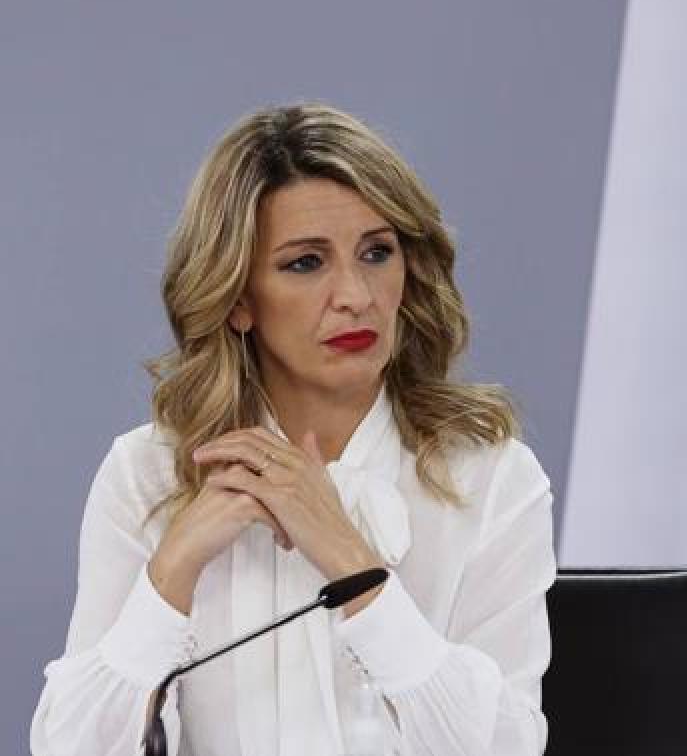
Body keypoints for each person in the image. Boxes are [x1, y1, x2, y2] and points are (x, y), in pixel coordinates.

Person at [29, 103, 556, 755]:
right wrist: (173, 571)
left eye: (377, 253)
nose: (356, 295)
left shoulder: (491, 476)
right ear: (238, 299)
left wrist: (350, 560)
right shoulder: (147, 475)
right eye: (306, 263)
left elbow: (507, 747)